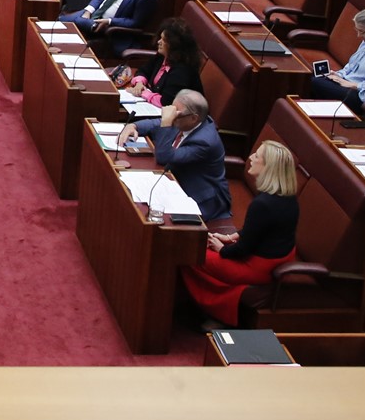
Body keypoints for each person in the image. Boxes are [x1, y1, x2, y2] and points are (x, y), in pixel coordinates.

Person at [181, 138, 300, 324]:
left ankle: (210, 309)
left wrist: (221, 248)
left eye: (257, 156)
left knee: (190, 253)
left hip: (258, 267)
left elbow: (242, 250)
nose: (251, 158)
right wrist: (231, 237)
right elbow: (261, 230)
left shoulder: (263, 204)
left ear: (268, 167)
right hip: (277, 257)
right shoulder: (288, 197)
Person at [116, 89, 230, 221]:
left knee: (144, 214)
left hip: (201, 199)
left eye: (175, 114)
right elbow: (155, 124)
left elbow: (164, 157)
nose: (171, 116)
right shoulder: (186, 120)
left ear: (194, 118)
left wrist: (167, 123)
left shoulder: (205, 141)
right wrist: (134, 126)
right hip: (174, 182)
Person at [122, 19, 206, 107]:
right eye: (160, 38)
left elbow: (166, 102)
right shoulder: (162, 56)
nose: (159, 42)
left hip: (180, 116)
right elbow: (144, 70)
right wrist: (139, 83)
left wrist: (142, 93)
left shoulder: (182, 70)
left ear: (174, 45)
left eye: (164, 40)